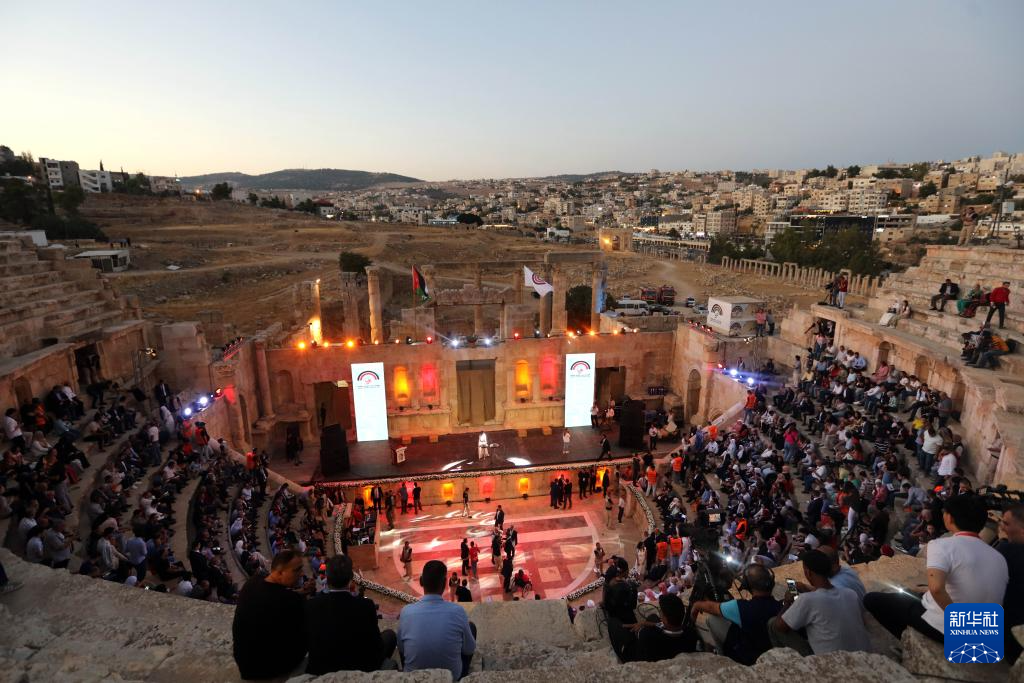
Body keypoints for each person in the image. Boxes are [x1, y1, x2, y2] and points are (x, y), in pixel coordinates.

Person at [864, 495, 1008, 643]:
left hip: (950, 628)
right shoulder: (999, 557)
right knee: (911, 592)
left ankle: (905, 641)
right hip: (985, 628)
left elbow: (937, 589)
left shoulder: (941, 545)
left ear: (949, 518)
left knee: (872, 600)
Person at [768, 550, 871, 655]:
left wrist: (787, 602)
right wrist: (805, 589)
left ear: (808, 572)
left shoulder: (807, 600)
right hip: (863, 655)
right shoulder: (850, 594)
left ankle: (783, 659)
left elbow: (780, 627)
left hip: (830, 661)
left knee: (772, 624)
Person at [232, 549, 308, 680]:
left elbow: (273, 595)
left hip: (245, 663)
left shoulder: (252, 582)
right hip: (268, 668)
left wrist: (301, 592)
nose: (302, 574)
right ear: (280, 572)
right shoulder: (290, 600)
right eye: (297, 570)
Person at [398, 560, 476, 680]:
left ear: (421, 581)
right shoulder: (457, 611)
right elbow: (469, 649)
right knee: (471, 627)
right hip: (451, 676)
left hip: (413, 677)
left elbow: (402, 649)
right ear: (445, 583)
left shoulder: (406, 612)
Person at [691, 564, 782, 665]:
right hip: (772, 652)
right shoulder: (781, 606)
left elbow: (711, 608)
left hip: (749, 658)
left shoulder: (740, 607)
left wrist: (696, 605)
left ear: (746, 585)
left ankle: (722, 657)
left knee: (712, 619)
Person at [996, 504, 1024, 663]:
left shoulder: (1007, 551)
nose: (1001, 527)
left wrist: (1003, 542)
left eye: (1006, 523)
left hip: (1005, 635)